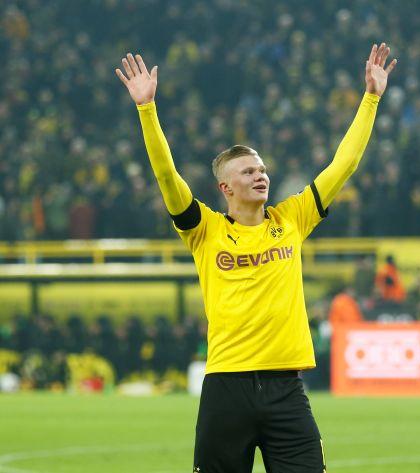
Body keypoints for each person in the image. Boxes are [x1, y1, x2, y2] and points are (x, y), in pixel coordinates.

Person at [115, 44, 396, 473]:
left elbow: (345, 163)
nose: (260, 175)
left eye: (262, 169)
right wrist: (147, 110)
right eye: (248, 171)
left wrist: (371, 98)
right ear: (225, 188)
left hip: (287, 389)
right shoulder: (204, 229)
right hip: (227, 388)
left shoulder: (293, 218)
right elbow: (166, 175)